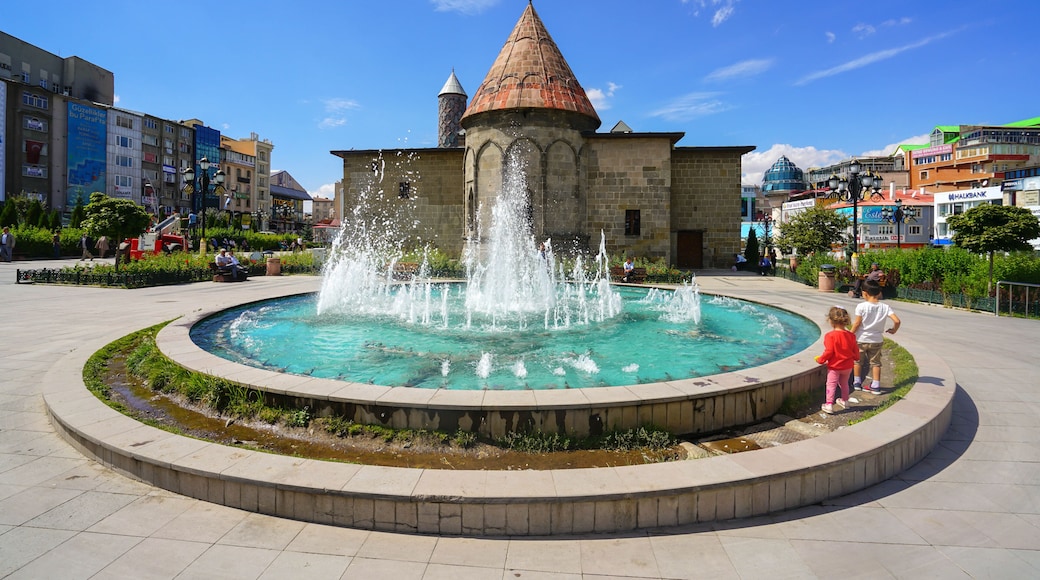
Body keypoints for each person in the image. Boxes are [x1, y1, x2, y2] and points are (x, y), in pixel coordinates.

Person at [850, 279, 901, 394]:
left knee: (857, 361)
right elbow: (897, 321)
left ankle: (857, 383)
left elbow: (857, 323)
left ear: (864, 293)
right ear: (878, 293)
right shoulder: (885, 307)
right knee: (876, 363)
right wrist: (894, 330)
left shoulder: (861, 306)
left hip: (861, 339)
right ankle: (876, 385)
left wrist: (849, 334)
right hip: (876, 340)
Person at [815, 306, 859, 414]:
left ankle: (829, 404)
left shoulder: (830, 336)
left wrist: (821, 360)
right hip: (848, 366)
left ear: (830, 321)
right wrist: (856, 358)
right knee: (844, 383)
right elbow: (856, 351)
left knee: (831, 384)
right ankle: (845, 401)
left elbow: (829, 351)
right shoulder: (851, 336)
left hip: (835, 366)